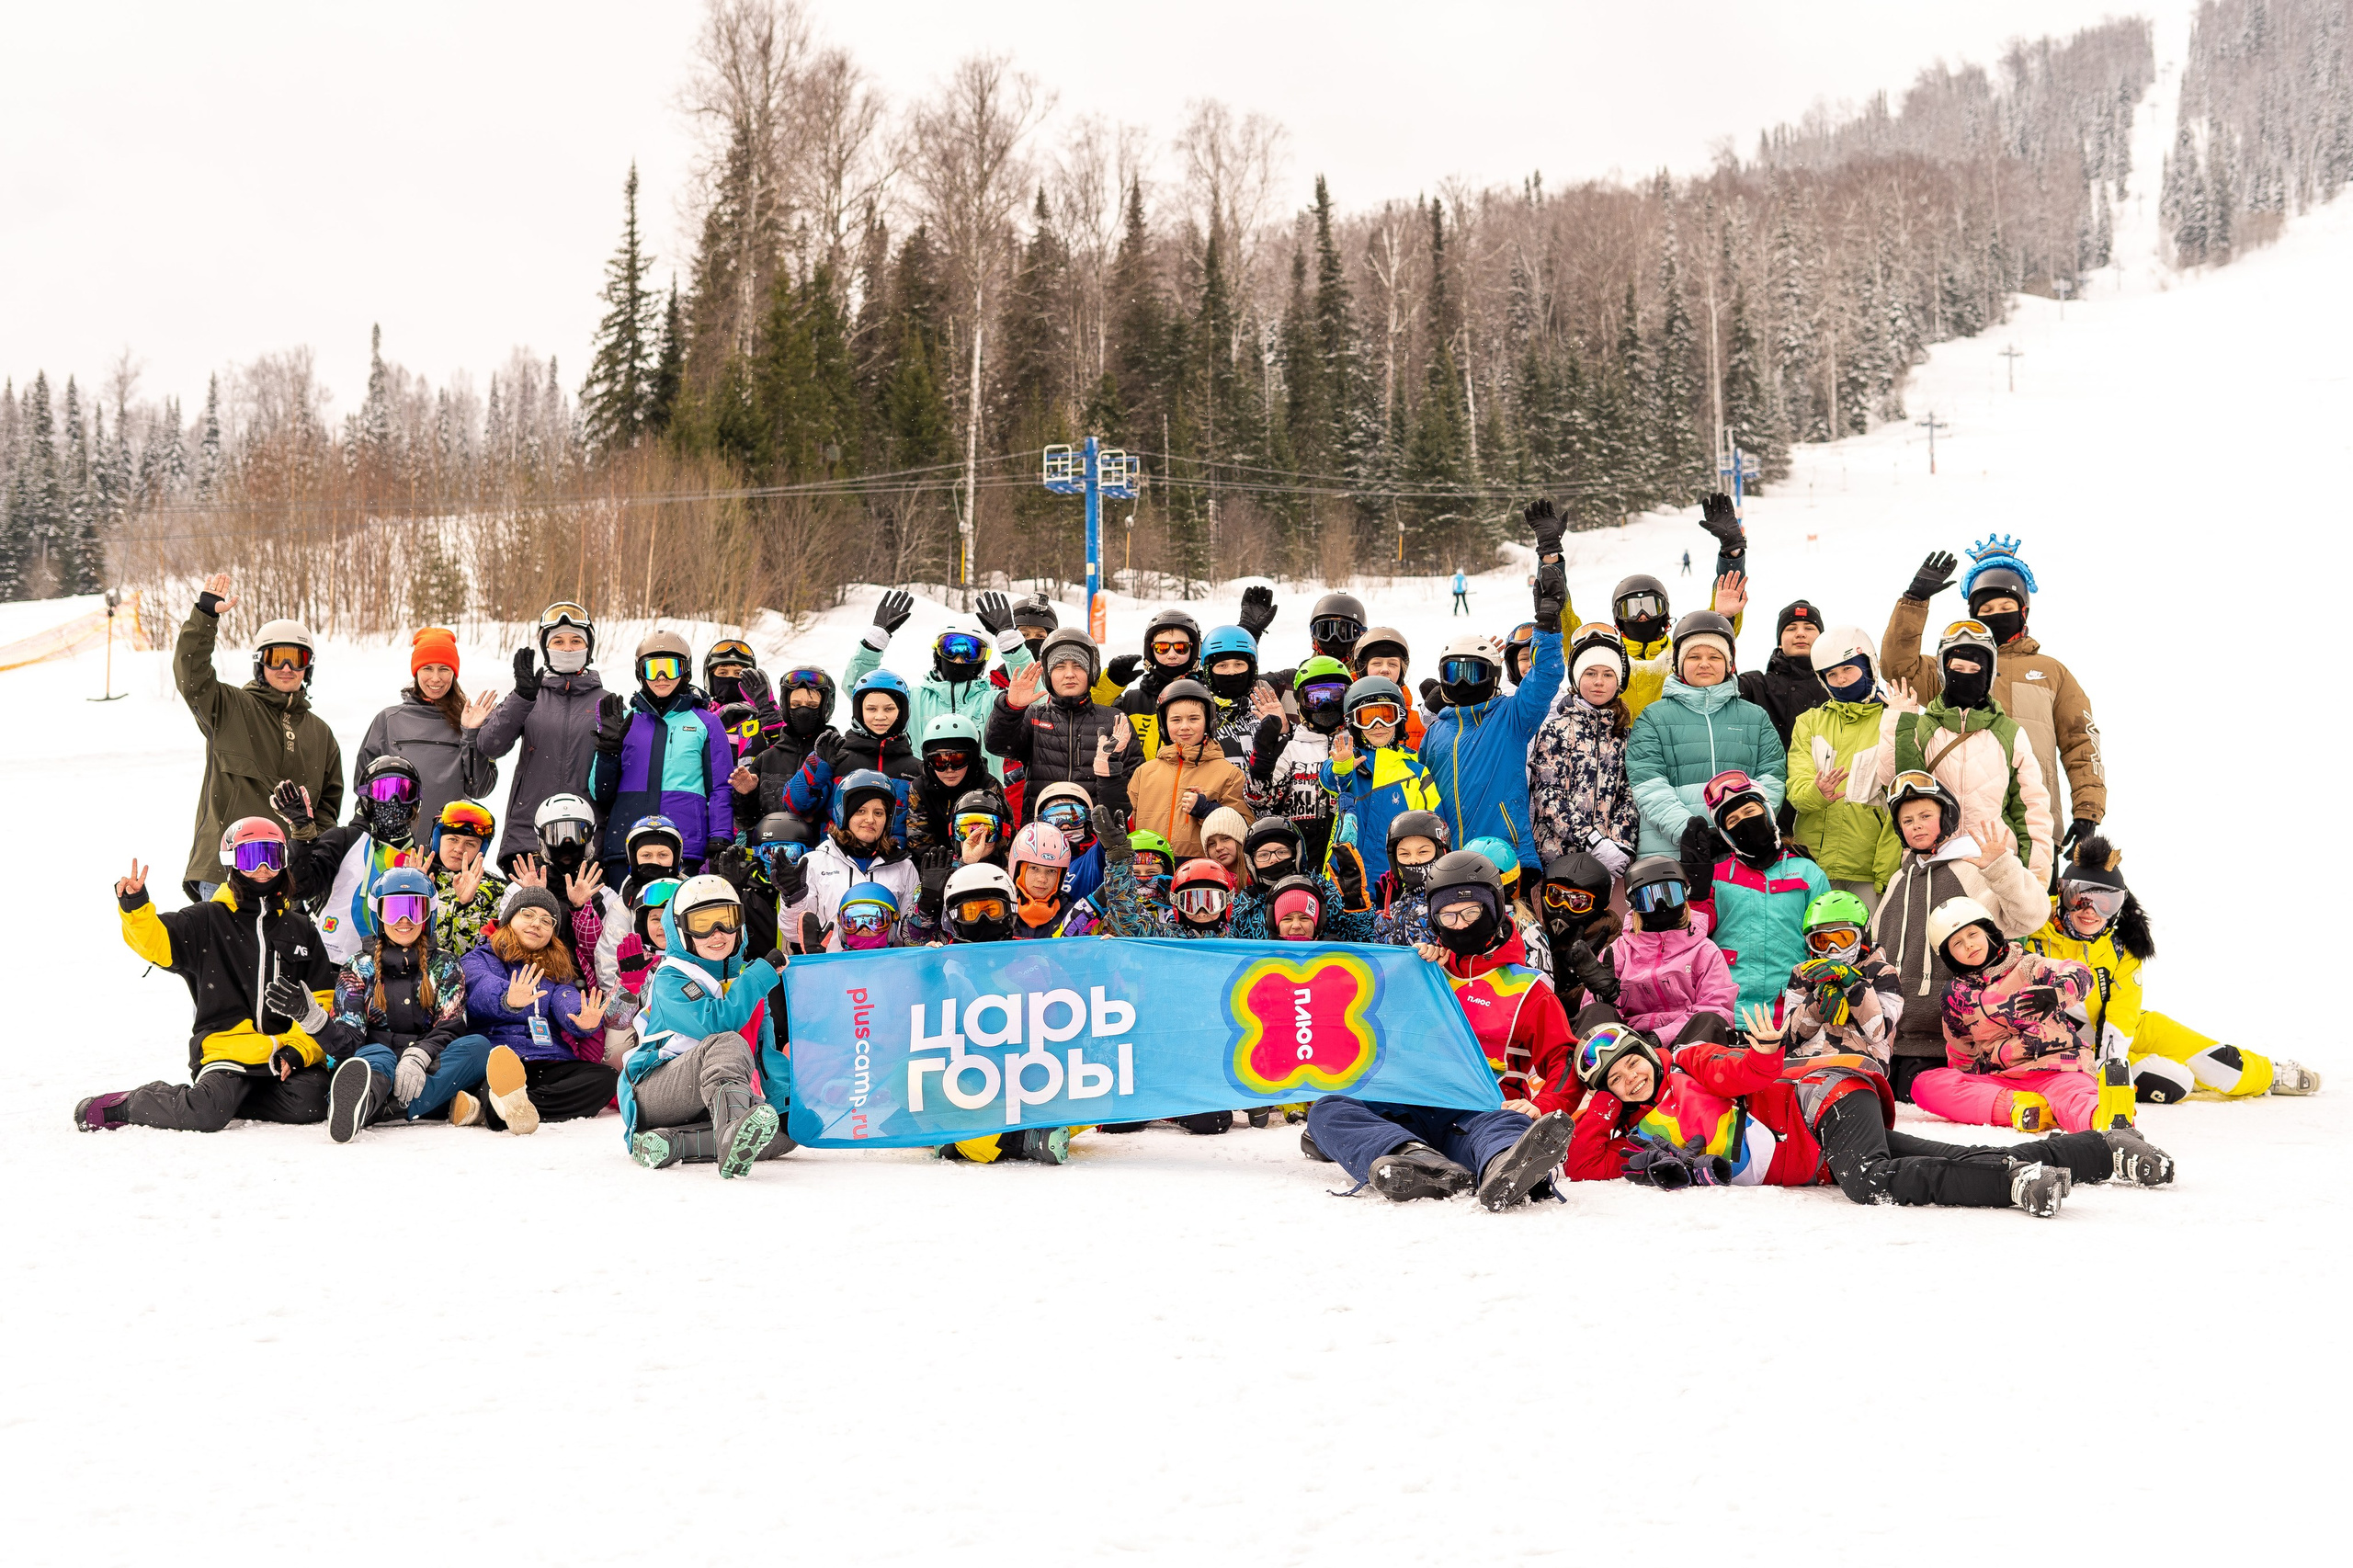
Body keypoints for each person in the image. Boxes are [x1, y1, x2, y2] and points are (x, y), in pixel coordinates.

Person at [1562, 1011, 2170, 1215]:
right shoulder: (1640, 1135)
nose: (1632, 1076)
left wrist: (1767, 1050)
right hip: (1821, 1149)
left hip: (1823, 1101)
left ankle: (2011, 1186)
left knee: (1871, 1182)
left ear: (1649, 1051)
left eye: (1633, 1062)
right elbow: (1586, 1163)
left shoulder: (1690, 1061)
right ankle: (2105, 1148)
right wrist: (1601, 1098)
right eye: (1617, 1077)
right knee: (1957, 1158)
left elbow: (1745, 1072)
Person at [1297, 852, 1576, 1210]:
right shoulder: (1424, 972)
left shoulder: (1527, 989)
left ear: (1493, 909)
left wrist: (1543, 1105)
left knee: (1503, 1125)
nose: (1459, 925)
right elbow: (1368, 1027)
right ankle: (1414, 1159)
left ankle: (1508, 1165)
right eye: (1448, 915)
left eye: (1471, 912)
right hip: (1409, 1106)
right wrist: (1407, 974)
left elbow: (1564, 1059)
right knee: (1328, 1110)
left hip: (1479, 1109)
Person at [77, 820, 339, 1133]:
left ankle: (229, 1101)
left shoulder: (300, 929)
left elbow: (323, 1001)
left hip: (283, 1054)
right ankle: (127, 1103)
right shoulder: (207, 919)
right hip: (228, 1050)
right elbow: (157, 943)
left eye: (272, 856)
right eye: (250, 857)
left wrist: (300, 1049)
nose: (263, 868)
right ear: (231, 861)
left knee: (313, 1103)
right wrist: (136, 906)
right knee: (204, 1114)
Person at [2025, 835, 2322, 1100]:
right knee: (2173, 1082)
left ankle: (2269, 1074)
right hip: (2062, 1046)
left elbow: (2123, 1011)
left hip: (2126, 1028)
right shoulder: (2032, 927)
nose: (2092, 912)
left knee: (2224, 1067)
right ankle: (2186, 1077)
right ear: (2064, 894)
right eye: (2081, 899)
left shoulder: (2121, 945)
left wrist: (2111, 1060)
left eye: (2107, 903)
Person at [1881, 537, 2105, 857]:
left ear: (2023, 611)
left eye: (2006, 608)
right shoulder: (1950, 666)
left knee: (2027, 904)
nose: (1996, 615)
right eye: (1986, 610)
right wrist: (1914, 602)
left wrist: (2087, 809)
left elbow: (2081, 742)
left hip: (2033, 825)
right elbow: (1897, 669)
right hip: (1948, 832)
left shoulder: (2051, 672)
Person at [1871, 771, 2047, 1102]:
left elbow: (2031, 916)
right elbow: (1879, 950)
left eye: (1926, 816)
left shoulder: (1971, 870)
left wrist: (2001, 868)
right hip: (1891, 1042)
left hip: (1952, 1045)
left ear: (1946, 817)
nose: (1917, 825)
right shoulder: (1898, 880)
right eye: (1907, 820)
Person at [174, 574, 343, 900]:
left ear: (308, 668)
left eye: (299, 659)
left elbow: (326, 812)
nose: (287, 667)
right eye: (275, 657)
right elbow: (191, 676)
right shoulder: (230, 708)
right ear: (259, 663)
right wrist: (206, 615)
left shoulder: (321, 734)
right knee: (228, 953)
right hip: (227, 874)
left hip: (286, 879)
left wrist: (307, 864)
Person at [1421, 505, 1566, 872]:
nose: (1465, 682)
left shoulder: (1510, 717)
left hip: (1511, 858)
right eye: (1456, 672)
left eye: (1476, 672)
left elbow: (1546, 676)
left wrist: (1548, 626)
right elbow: (1418, 791)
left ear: (1493, 675)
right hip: (1448, 862)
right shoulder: (1435, 732)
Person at [620, 873, 791, 1176]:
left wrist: (786, 1104)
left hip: (712, 1095)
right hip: (655, 1092)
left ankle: (671, 1143)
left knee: (785, 1134)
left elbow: (765, 1053)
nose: (717, 933)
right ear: (681, 930)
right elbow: (716, 1022)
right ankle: (728, 1132)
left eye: (726, 919)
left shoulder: (745, 979)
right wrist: (758, 978)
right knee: (727, 1040)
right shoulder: (671, 976)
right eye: (702, 924)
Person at [929, 859, 1096, 1165]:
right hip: (977, 1087)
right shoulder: (945, 965)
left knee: (1101, 1089)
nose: (981, 919)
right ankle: (1023, 1140)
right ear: (955, 918)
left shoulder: (1038, 959)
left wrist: (1108, 957)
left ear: (1009, 910)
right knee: (908, 1077)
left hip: (1036, 1082)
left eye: (991, 909)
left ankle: (964, 1139)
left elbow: (1080, 1019)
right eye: (970, 911)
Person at [319, 867, 497, 1142]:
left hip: (427, 1066)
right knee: (377, 1054)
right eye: (393, 911)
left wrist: (418, 1055)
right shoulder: (358, 966)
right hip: (376, 1061)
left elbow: (450, 1025)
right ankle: (367, 1097)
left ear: (429, 914)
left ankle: (371, 1109)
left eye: (414, 909)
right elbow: (349, 1039)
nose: (404, 919)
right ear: (377, 914)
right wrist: (317, 1024)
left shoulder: (445, 963)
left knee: (478, 1047)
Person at [1876, 618, 2053, 885]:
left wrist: (2035, 879)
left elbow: (2032, 811)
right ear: (1943, 672)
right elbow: (1894, 782)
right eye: (1958, 667)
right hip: (1932, 864)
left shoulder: (2009, 733)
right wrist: (1898, 722)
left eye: (1976, 668)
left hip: (1992, 866)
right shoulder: (1922, 727)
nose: (1967, 675)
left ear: (1990, 673)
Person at [1909, 896, 2102, 1133]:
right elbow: (1960, 1049)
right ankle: (2021, 1109)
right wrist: (1967, 1090)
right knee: (1925, 1085)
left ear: (1988, 931)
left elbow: (2078, 972)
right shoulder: (1956, 995)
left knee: (2078, 1099)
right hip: (2003, 1081)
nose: (1968, 945)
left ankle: (2106, 1121)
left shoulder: (2028, 966)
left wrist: (2056, 993)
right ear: (1949, 955)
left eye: (1972, 934)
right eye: (1957, 943)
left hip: (2058, 1069)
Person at [1625, 608, 1786, 858]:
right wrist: (1691, 833)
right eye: (1693, 656)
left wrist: (1741, 829)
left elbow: (1772, 778)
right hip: (1672, 852)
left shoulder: (1755, 717)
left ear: (1729, 664)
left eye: (1715, 656)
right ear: (1679, 664)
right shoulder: (1653, 717)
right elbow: (1649, 786)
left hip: (1743, 849)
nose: (1704, 663)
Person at [457, 884, 617, 1131]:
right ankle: (503, 1104)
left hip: (547, 1059)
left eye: (546, 920)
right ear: (509, 919)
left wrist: (581, 1017)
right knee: (495, 1084)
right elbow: (479, 989)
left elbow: (565, 998)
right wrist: (507, 998)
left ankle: (510, 1108)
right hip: (500, 1060)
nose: (536, 924)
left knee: (605, 1079)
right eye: (528, 915)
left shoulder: (556, 970)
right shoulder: (478, 959)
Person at [587, 629, 735, 881]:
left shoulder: (706, 722)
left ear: (685, 670)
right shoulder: (623, 722)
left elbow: (721, 787)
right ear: (640, 672)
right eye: (652, 669)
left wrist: (720, 837)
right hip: (627, 845)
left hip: (683, 846)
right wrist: (608, 751)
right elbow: (600, 792)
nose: (661, 677)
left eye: (671, 667)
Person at [1679, 768, 1828, 1012]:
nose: (1745, 823)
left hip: (1793, 1010)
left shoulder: (1808, 873)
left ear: (1768, 813)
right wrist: (1695, 889)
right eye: (1734, 821)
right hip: (1727, 1010)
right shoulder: (1716, 876)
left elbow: (1825, 944)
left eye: (1750, 812)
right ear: (1727, 835)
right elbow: (1692, 940)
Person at [847, 589, 1031, 780]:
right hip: (923, 799)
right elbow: (860, 690)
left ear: (984, 658)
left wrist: (1011, 643)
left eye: (971, 651)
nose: (959, 659)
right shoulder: (913, 700)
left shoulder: (995, 704)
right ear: (937, 651)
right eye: (951, 648)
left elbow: (1035, 697)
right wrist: (874, 642)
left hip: (981, 801)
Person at [479, 602, 608, 874]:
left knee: (583, 915)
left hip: (586, 839)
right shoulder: (528, 696)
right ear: (546, 648)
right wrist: (521, 698)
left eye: (576, 641)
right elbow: (490, 744)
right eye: (558, 641)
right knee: (529, 916)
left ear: (589, 647)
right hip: (529, 838)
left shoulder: (606, 704)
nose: (567, 647)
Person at [276, 754, 430, 964]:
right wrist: (302, 835)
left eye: (404, 791)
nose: (394, 800)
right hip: (326, 961)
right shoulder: (345, 839)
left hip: (384, 970)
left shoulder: (419, 858)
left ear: (416, 801)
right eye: (383, 790)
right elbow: (299, 887)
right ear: (367, 798)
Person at [1785, 625, 1899, 909]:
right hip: (1812, 868)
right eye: (1831, 675)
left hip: (1867, 871)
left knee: (1870, 947)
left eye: (1849, 670)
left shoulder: (1893, 721)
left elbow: (1900, 806)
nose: (1841, 681)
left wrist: (1886, 873)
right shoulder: (1809, 722)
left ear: (1869, 666)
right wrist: (1817, 792)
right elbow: (1796, 787)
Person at [353, 625, 499, 835]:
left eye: (444, 669)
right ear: (416, 671)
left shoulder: (468, 721)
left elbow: (480, 789)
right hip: (396, 846)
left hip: (450, 847)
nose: (436, 678)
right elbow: (362, 790)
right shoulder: (389, 720)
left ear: (454, 673)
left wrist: (471, 734)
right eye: (427, 668)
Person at [987, 629, 1136, 823]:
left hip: (1098, 838)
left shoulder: (1114, 719)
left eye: (1078, 666)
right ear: (1048, 674)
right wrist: (1011, 708)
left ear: (1092, 671)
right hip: (1040, 835)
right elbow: (998, 744)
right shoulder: (1033, 715)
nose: (1069, 674)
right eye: (1059, 666)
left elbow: (1134, 784)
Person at [1591, 856, 1736, 1050]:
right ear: (1633, 905)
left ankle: (1684, 1072)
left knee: (1710, 1019)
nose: (1661, 905)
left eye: (1671, 896)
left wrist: (1660, 1037)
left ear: (1685, 896)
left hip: (1686, 1040)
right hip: (1628, 1045)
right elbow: (1593, 1011)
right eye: (1648, 899)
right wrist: (1605, 996)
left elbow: (1717, 1007)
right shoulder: (1619, 951)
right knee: (1596, 1011)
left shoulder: (1704, 951)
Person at [1529, 622, 1639, 869]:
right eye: (1590, 673)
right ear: (1577, 679)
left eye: (1608, 674)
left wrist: (1619, 844)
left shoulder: (1625, 735)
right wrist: (1592, 841)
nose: (1599, 681)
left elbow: (1629, 795)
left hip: (1612, 861)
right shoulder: (1555, 730)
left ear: (1619, 682)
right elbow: (1547, 795)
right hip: (1559, 856)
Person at [780, 768, 920, 951]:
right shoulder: (815, 863)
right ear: (843, 813)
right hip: (832, 969)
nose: (870, 819)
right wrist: (792, 898)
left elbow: (910, 936)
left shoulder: (903, 867)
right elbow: (793, 934)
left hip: (888, 970)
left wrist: (926, 908)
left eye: (878, 813)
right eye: (861, 810)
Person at [1321, 676, 1442, 884]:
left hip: (1397, 878)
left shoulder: (1416, 772)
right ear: (1354, 723)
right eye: (1367, 718)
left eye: (1387, 715)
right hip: (1346, 876)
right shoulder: (1352, 763)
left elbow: (1436, 823)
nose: (1378, 725)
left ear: (1400, 718)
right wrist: (1341, 766)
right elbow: (1331, 781)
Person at [1128, 678, 1251, 860]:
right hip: (1149, 870)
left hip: (1201, 872)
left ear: (1209, 722)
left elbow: (1244, 827)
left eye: (1193, 719)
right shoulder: (1144, 773)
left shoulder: (1229, 774)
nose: (1184, 726)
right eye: (1176, 720)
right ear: (1163, 725)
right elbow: (1128, 825)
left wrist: (1208, 810)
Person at [786, 668, 920, 833]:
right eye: (871, 709)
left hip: (896, 856)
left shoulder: (915, 769)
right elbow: (796, 807)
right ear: (858, 710)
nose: (879, 716)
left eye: (888, 709)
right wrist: (816, 767)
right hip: (838, 855)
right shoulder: (838, 756)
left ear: (903, 712)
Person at [1251, 657, 1354, 866]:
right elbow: (1259, 799)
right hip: (1298, 860)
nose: (1325, 705)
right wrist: (1265, 754)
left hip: (1347, 861)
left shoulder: (1357, 745)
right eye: (1315, 697)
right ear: (1300, 702)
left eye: (1335, 696)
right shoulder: (1290, 747)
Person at [1230, 817, 1376, 942]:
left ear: (1297, 855)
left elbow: (1362, 941)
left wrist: (1355, 901)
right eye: (1263, 855)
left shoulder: (1325, 895)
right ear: (1251, 862)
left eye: (1282, 852)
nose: (1273, 859)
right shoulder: (1245, 907)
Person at [731, 665, 839, 822]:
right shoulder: (766, 759)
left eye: (812, 706)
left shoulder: (836, 756)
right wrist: (746, 794)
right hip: (769, 843)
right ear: (786, 707)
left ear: (825, 707)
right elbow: (745, 822)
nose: (803, 711)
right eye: (796, 705)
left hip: (820, 845)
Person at [1098, 607, 1204, 758]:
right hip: (1141, 780)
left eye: (1181, 648)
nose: (1172, 655)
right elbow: (1091, 719)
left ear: (1193, 651)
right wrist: (1111, 684)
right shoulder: (1133, 702)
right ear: (1151, 651)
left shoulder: (1206, 699)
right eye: (1162, 648)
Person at [1736, 598, 1829, 750]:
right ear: (1780, 641)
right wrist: (1725, 618)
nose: (1800, 634)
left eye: (1809, 628)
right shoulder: (1756, 685)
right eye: (1791, 628)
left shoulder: (1838, 686)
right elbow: (1719, 685)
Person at [1535, 850, 1620, 1015]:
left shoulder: (1613, 944)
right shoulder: (1539, 935)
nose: (1562, 908)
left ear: (1599, 905)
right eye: (1556, 896)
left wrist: (1575, 980)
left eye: (1578, 901)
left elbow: (1612, 1004)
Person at [426, 800, 505, 957]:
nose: (459, 849)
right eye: (453, 839)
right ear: (437, 840)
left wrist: (467, 906)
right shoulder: (417, 877)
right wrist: (415, 892)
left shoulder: (495, 890)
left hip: (469, 978)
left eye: (470, 844)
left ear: (480, 850)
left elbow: (479, 955)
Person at [1368, 810, 1449, 945]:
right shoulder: (1389, 914)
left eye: (1423, 852)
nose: (1413, 860)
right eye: (1404, 854)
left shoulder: (1453, 906)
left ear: (1441, 853)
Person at [1349, 626, 1426, 748]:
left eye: (1392, 664)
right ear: (1361, 668)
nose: (1385, 669)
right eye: (1377, 663)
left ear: (1402, 671)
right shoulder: (1344, 718)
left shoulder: (1420, 724)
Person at [1199, 805, 1251, 883]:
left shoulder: (1259, 878)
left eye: (1225, 839)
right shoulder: (1207, 884)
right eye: (1212, 844)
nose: (1218, 848)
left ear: (1240, 840)